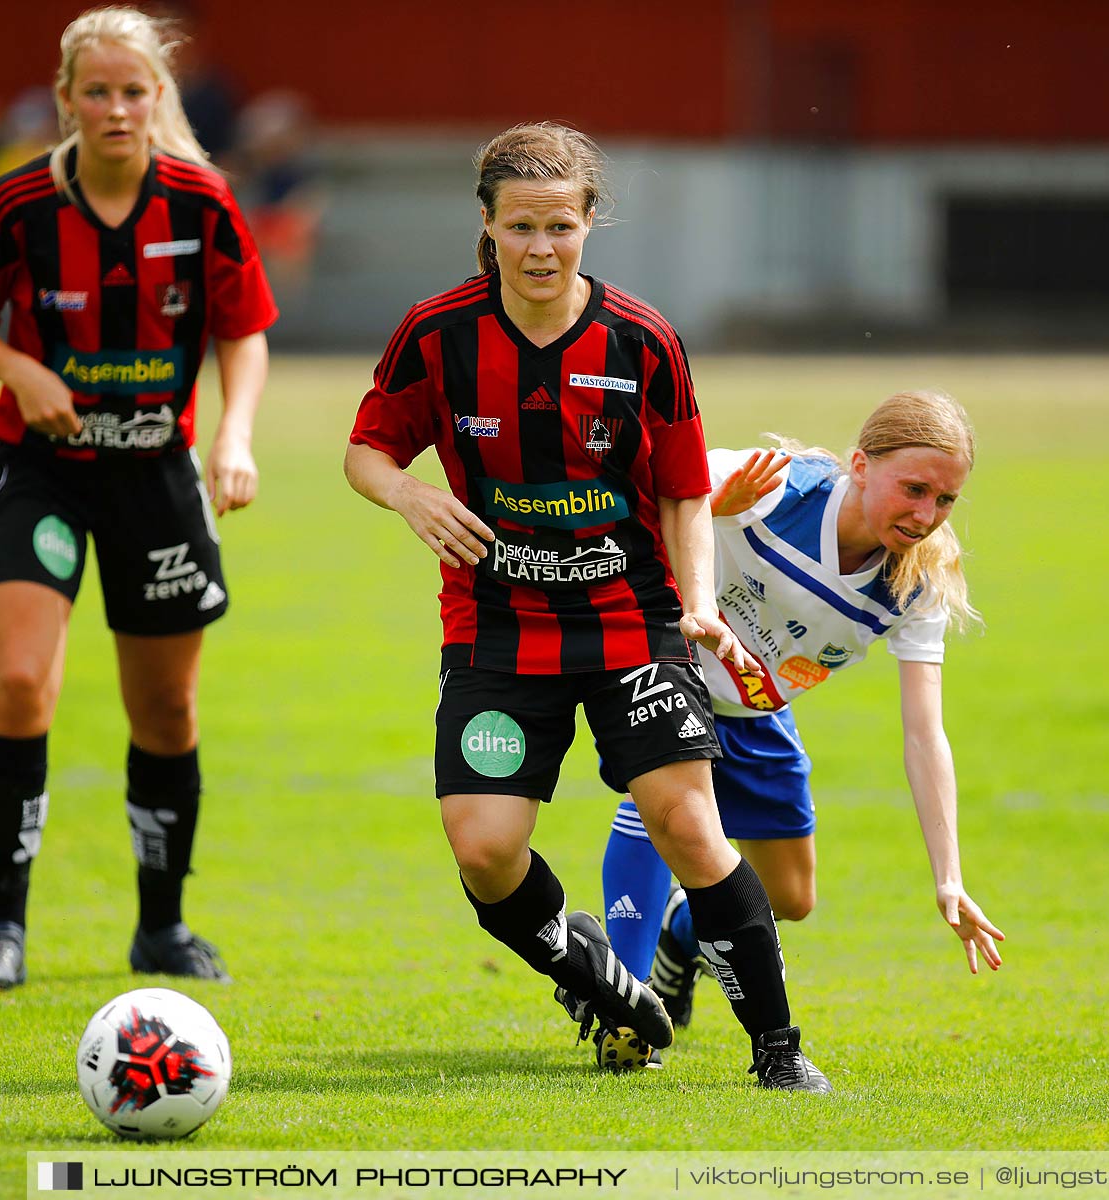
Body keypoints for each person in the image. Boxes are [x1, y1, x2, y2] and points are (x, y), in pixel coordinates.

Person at [344, 122, 830, 1091]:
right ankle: (599, 979)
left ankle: (779, 1051)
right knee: (485, 851)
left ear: (590, 223)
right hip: (494, 623)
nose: (540, 248)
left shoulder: (643, 340)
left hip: (630, 619)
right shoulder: (436, 333)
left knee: (688, 823)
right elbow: (368, 450)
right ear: (485, 224)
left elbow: (688, 492)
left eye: (560, 226)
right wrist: (406, 493)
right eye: (520, 227)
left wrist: (697, 605)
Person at [0, 6, 277, 994]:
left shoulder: (202, 202)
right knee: (21, 687)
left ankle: (161, 929)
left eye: (135, 90)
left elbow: (243, 329)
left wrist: (235, 435)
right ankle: (4, 928)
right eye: (98, 90)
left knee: (166, 707)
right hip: (38, 470)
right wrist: (20, 373)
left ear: (159, 96)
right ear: (66, 99)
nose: (117, 107)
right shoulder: (20, 202)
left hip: (157, 476)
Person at [598, 392, 1007, 1051]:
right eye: (914, 488)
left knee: (789, 898)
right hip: (666, 666)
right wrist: (706, 513)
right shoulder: (770, 485)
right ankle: (623, 1009)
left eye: (945, 499)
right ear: (860, 466)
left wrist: (949, 876)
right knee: (664, 805)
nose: (926, 514)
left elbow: (924, 731)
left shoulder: (918, 582)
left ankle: (683, 932)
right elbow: (638, 498)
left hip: (755, 710)